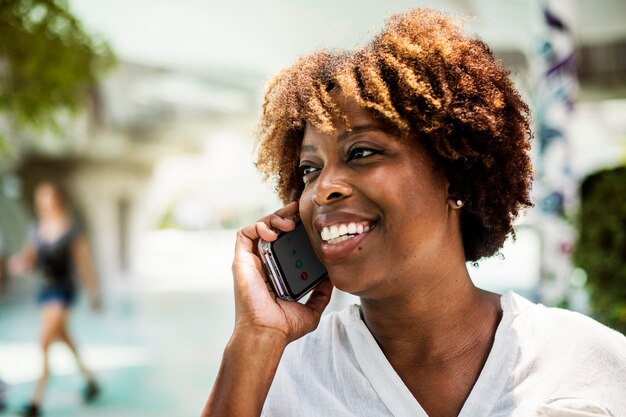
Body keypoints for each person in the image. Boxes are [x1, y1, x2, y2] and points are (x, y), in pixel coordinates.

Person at [202, 8, 626, 417]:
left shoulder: (591, 361)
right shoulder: (274, 383)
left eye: (362, 152)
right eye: (309, 169)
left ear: (456, 175)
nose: (323, 188)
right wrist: (254, 338)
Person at [8, 182, 101, 417]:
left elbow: (84, 265)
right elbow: (31, 258)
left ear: (58, 200)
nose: (45, 203)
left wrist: (94, 293)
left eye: (49, 198)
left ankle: (36, 401)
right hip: (45, 289)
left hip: (63, 290)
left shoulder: (72, 230)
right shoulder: (36, 228)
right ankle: (91, 381)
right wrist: (19, 264)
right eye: (42, 199)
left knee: (45, 341)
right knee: (65, 339)